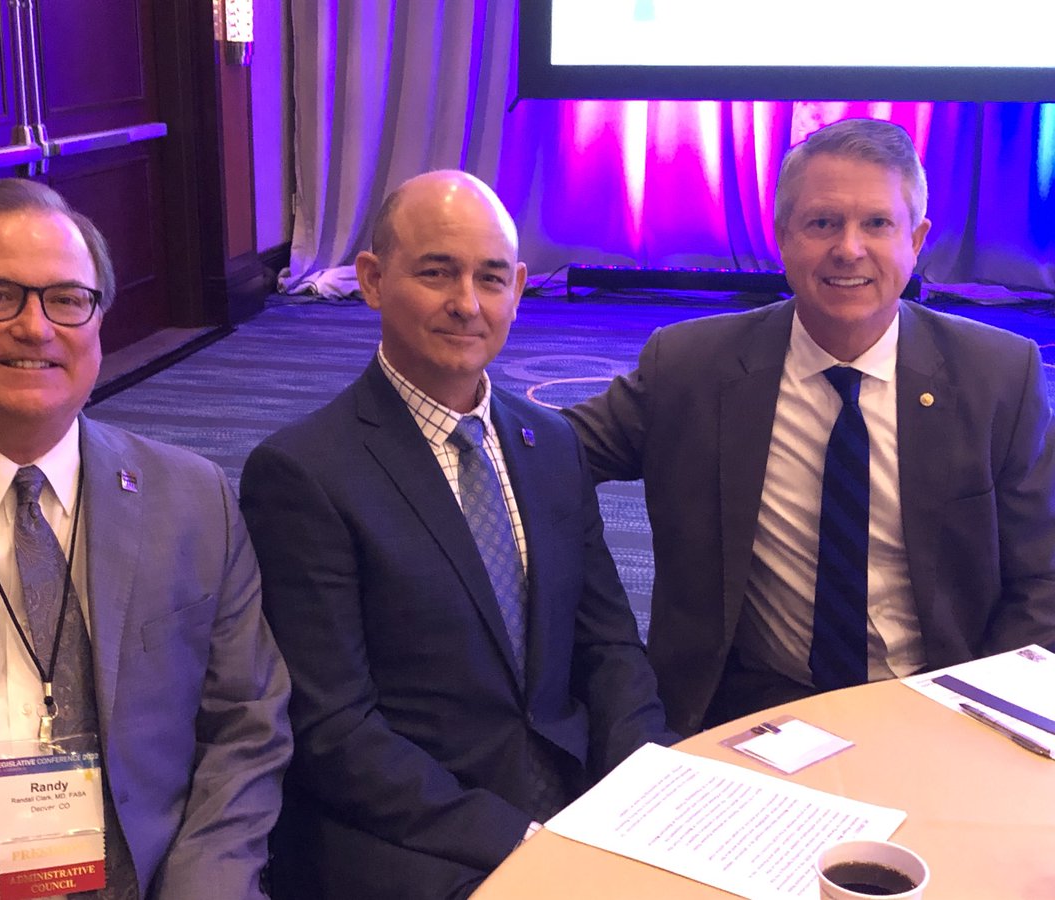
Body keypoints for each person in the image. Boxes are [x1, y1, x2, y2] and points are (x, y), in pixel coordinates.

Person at [240, 170, 677, 900]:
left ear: (520, 288)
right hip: (416, 834)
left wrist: (647, 782)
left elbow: (607, 644)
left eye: (491, 278)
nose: (467, 304)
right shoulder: (304, 474)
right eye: (437, 273)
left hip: (573, 791)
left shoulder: (551, 443)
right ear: (374, 280)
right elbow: (336, 732)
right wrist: (524, 842)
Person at [0, 178, 292, 900]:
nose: (36, 327)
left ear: (97, 321)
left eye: (66, 298)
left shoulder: (192, 500)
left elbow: (247, 728)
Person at [565, 117, 1055, 736]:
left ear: (917, 238)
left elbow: (1043, 579)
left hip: (938, 703)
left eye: (877, 223)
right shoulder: (692, 368)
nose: (849, 249)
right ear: (781, 237)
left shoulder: (997, 378)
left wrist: (982, 722)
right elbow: (549, 453)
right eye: (823, 222)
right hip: (752, 705)